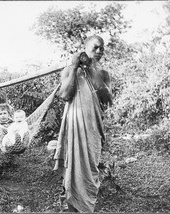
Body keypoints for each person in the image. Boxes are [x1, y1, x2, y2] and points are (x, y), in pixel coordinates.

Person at [53, 35, 112, 212]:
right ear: (85, 49)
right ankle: (73, 208)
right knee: (73, 172)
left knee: (90, 171)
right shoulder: (70, 70)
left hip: (93, 129)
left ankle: (86, 208)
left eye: (102, 48)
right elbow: (64, 95)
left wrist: (92, 69)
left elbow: (107, 99)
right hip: (74, 129)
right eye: (95, 48)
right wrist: (73, 67)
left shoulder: (103, 74)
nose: (99, 51)